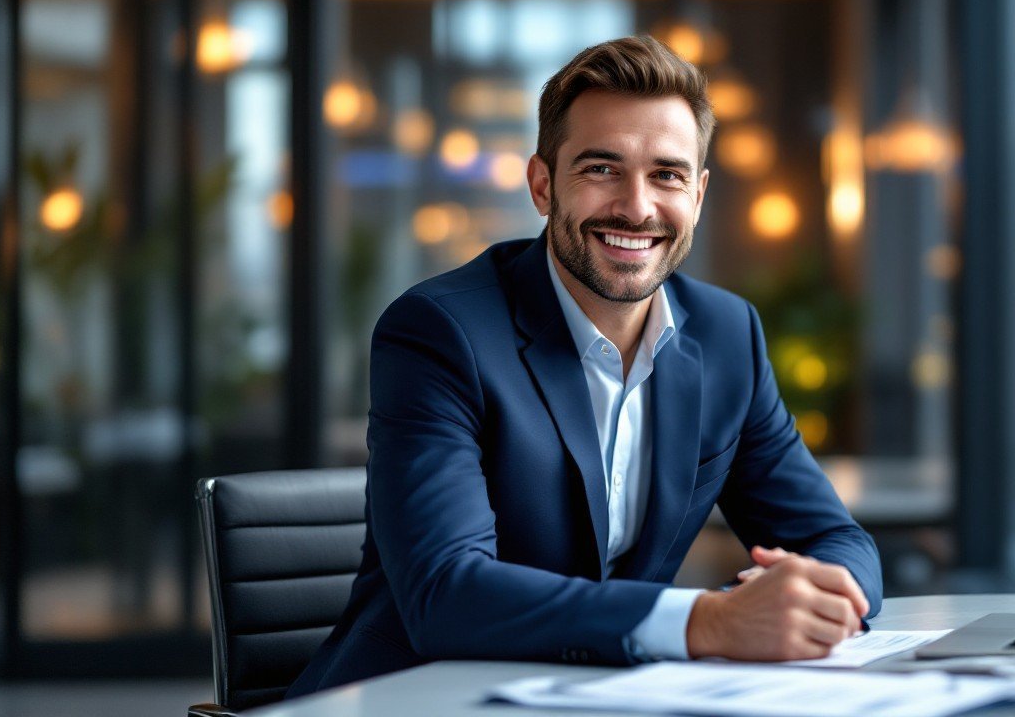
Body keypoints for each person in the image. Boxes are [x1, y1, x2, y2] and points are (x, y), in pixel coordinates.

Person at [288, 35, 882, 696]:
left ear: (699, 194)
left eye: (667, 174)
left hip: (611, 698)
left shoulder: (725, 334)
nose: (637, 206)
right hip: (420, 698)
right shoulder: (441, 332)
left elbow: (833, 537)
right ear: (543, 185)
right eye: (601, 169)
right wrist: (709, 620)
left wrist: (817, 598)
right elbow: (446, 594)